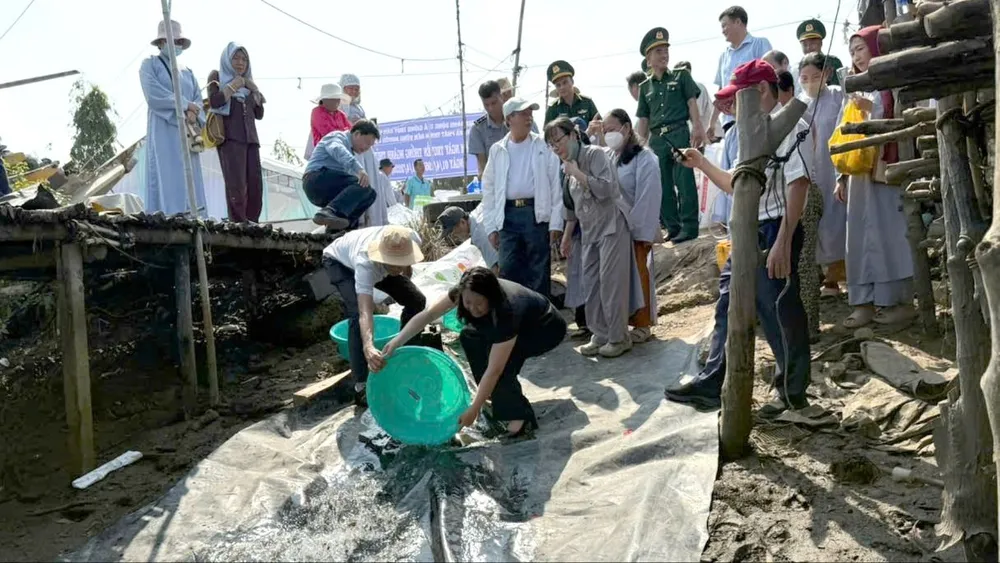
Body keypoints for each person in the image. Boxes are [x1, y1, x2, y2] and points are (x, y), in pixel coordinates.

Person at [665, 60, 812, 418]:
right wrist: (701, 163)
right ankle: (713, 382)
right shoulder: (743, 133)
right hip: (746, 229)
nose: (730, 107)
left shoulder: (792, 126)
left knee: (779, 311)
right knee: (727, 307)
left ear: (761, 90)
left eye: (736, 99)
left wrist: (782, 241)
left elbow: (799, 185)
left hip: (776, 227)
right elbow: (736, 183)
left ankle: (792, 393)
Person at [381, 267, 567, 437]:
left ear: (491, 298)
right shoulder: (465, 290)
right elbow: (428, 314)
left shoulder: (507, 312)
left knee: (502, 367)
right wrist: (398, 340)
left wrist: (474, 408)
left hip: (545, 328)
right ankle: (493, 395)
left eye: (479, 303)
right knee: (470, 336)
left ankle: (519, 418)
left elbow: (494, 369)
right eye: (468, 302)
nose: (472, 308)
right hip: (522, 323)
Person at [836, 26, 914, 328]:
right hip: (859, 175)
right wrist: (841, 176)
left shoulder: (893, 84)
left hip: (885, 172)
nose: (857, 56)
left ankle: (896, 301)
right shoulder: (856, 87)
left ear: (877, 49)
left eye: (861, 48)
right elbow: (843, 133)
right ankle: (863, 301)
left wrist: (871, 109)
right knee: (858, 237)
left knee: (888, 237)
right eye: (853, 50)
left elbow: (897, 121)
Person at [546, 117, 633, 358]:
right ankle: (600, 334)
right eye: (552, 145)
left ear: (573, 135)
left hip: (611, 226)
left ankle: (619, 337)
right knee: (591, 283)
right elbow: (571, 207)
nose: (556, 148)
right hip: (589, 231)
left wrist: (578, 173)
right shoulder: (567, 167)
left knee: (610, 283)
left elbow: (607, 189)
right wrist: (566, 237)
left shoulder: (595, 155)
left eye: (558, 141)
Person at [323, 225, 426, 406]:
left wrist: (404, 271)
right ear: (382, 255)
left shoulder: (411, 239)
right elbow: (365, 311)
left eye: (402, 261)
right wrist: (368, 346)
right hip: (338, 262)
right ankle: (361, 386)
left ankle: (405, 355)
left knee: (416, 300)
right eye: (393, 263)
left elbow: (405, 267)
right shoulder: (365, 264)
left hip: (372, 260)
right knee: (355, 315)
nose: (398, 267)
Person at [480, 97, 563, 298]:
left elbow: (555, 185)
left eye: (530, 113)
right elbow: (489, 190)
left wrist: (555, 223)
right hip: (507, 216)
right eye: (523, 113)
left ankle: (541, 321)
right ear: (510, 118)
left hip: (535, 213)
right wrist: (491, 226)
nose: (529, 117)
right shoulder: (498, 149)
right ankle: (515, 320)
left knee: (538, 270)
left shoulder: (542, 145)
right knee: (508, 269)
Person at [635, 27, 705, 244]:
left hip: (679, 132)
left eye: (665, 50)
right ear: (648, 58)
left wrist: (698, 126)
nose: (664, 55)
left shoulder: (681, 76)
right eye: (658, 52)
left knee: (684, 181)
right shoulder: (645, 87)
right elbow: (643, 120)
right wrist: (637, 146)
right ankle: (673, 227)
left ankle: (689, 227)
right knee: (662, 185)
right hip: (657, 139)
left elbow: (692, 101)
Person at [602, 109, 662, 343]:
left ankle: (642, 323)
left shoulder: (645, 158)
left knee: (640, 274)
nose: (608, 135)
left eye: (612, 130)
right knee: (618, 279)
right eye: (605, 131)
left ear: (627, 128)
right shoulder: (608, 157)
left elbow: (648, 196)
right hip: (613, 229)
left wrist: (639, 231)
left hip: (635, 228)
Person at [139, 19, 206, 216]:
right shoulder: (149, 65)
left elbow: (198, 99)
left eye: (178, 42)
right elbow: (153, 95)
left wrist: (194, 112)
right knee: (165, 172)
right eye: (171, 40)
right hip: (164, 129)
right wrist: (185, 105)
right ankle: (166, 216)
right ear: (161, 42)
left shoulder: (188, 72)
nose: (175, 45)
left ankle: (194, 215)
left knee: (189, 175)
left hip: (187, 130)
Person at [798, 52, 846, 297]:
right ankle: (818, 275)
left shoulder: (838, 95)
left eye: (815, 76)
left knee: (835, 221)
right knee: (811, 224)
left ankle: (834, 277)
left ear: (826, 74)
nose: (809, 82)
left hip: (834, 167)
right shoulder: (798, 103)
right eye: (804, 78)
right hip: (808, 170)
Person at [208, 42, 265, 224]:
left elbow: (259, 114)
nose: (240, 63)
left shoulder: (248, 83)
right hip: (230, 137)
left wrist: (254, 90)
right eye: (236, 58)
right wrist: (233, 86)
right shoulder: (217, 76)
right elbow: (215, 102)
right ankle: (239, 223)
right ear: (227, 59)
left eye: (244, 59)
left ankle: (253, 222)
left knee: (255, 184)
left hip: (250, 139)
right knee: (236, 185)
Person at [302, 119, 380, 231]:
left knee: (370, 194)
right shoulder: (337, 137)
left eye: (370, 146)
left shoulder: (350, 151)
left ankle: (342, 229)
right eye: (367, 143)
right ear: (357, 133)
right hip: (316, 180)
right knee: (362, 186)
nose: (367, 148)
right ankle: (329, 211)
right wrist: (359, 169)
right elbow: (337, 149)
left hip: (329, 187)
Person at [710, 6, 774, 130]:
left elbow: (771, 79)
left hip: (754, 117)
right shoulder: (724, 56)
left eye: (724, 25)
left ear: (738, 22)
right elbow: (721, 91)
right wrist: (712, 123)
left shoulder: (760, 44)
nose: (722, 31)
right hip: (730, 121)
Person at [436, 205, 499, 273]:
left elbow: (496, 268)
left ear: (462, 222)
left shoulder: (479, 235)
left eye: (453, 230)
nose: (453, 235)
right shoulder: (476, 213)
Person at [674, 61, 722, 143]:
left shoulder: (697, 87)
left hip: (711, 136)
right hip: (701, 138)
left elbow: (695, 114)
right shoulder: (679, 90)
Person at [469, 80, 508, 179]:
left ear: (501, 97)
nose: (490, 108)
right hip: (494, 183)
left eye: (494, 103)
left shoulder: (517, 119)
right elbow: (482, 166)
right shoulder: (477, 129)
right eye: (486, 105)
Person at [544, 61, 600, 125]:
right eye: (558, 85)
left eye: (565, 82)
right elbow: (548, 133)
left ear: (572, 82)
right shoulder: (552, 108)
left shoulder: (587, 102)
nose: (562, 87)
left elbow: (600, 126)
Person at [797, 19, 844, 86]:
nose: (808, 48)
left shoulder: (833, 62)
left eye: (812, 43)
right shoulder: (798, 69)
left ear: (821, 43)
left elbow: (841, 90)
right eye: (805, 45)